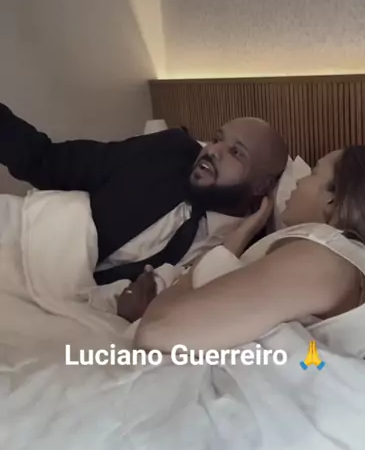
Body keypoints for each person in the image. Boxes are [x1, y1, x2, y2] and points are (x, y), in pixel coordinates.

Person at [134, 146, 365, 358]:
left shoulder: (324, 260)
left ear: (332, 198)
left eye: (313, 172)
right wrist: (242, 235)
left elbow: (158, 332)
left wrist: (157, 305)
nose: (298, 180)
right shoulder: (325, 256)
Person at [0, 104, 288, 311]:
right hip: (24, 244)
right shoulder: (165, 153)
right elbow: (49, 161)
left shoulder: (251, 255)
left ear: (262, 186)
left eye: (236, 152)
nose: (212, 150)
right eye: (216, 138)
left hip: (73, 310)